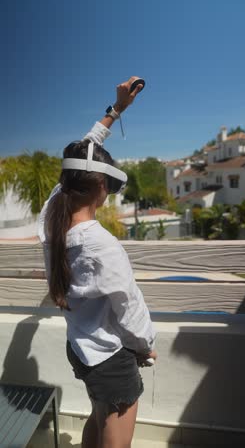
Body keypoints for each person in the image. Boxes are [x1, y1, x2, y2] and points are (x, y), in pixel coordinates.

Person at [38, 76, 157, 448]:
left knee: (98, 413)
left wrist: (116, 110)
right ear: (103, 187)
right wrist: (146, 345)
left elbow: (82, 156)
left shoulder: (50, 217)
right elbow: (129, 305)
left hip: (81, 348)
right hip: (109, 357)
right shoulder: (101, 245)